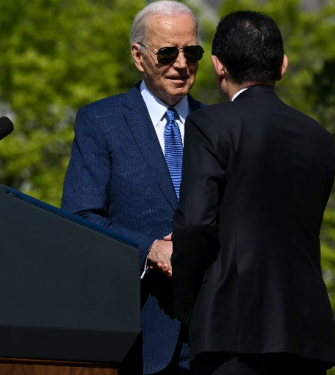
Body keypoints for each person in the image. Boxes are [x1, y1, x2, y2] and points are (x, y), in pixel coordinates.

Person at [170, 11, 335, 375]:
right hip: (308, 334)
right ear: (282, 66)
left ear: (218, 66)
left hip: (233, 329)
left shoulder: (211, 124)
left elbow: (196, 224)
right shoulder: (319, 138)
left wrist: (187, 302)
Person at [61, 1, 205, 373]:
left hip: (216, 337)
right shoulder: (101, 121)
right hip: (139, 337)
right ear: (138, 57)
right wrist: (150, 250)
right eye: (168, 53)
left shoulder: (218, 125)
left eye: (192, 52)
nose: (181, 63)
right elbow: (79, 216)